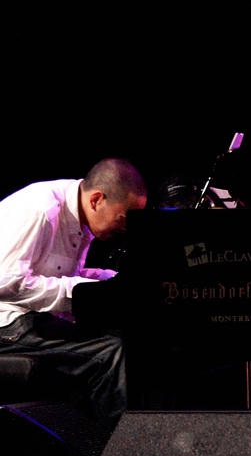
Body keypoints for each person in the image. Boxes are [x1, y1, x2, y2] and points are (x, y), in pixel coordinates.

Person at [0, 158, 147, 421]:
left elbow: (58, 275)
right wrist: (80, 289)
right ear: (97, 200)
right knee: (111, 351)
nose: (126, 229)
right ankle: (121, 445)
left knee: (132, 336)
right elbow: (5, 281)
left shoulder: (80, 216)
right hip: (7, 323)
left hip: (29, 318)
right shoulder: (41, 210)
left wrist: (110, 279)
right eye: (124, 219)